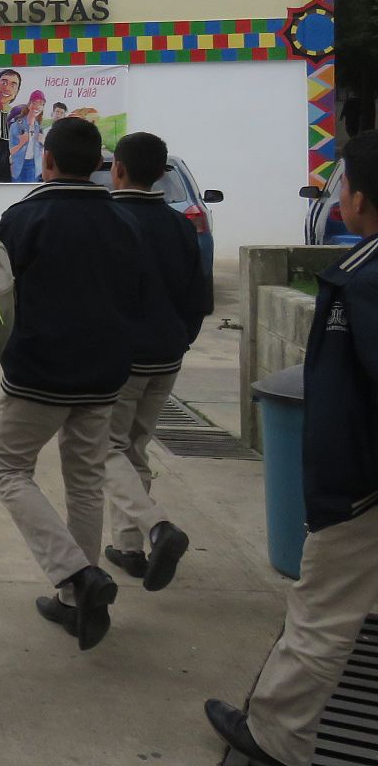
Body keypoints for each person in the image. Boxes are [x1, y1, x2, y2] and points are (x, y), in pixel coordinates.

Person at [206, 131, 378, 766]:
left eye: (342, 184)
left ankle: (277, 733)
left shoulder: (366, 281)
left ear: (358, 198)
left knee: (321, 612)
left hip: (362, 487)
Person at [0, 116, 143, 651]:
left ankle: (76, 574)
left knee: (9, 470)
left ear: (47, 161)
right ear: (100, 163)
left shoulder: (24, 217)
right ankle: (78, 604)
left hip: (39, 373)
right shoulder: (125, 220)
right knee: (85, 484)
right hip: (105, 375)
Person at [102, 132, 207, 589]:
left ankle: (157, 526)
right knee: (134, 449)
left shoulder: (107, 221)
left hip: (120, 359)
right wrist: (179, 341)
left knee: (104, 449)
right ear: (163, 176)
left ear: (117, 170)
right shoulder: (180, 224)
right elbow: (197, 296)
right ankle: (128, 547)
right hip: (166, 356)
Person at [8, 91, 45, 183]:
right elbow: (9, 151)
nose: (37, 107)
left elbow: (41, 153)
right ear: (29, 105)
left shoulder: (39, 128)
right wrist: (21, 143)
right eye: (34, 103)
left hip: (33, 167)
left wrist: (44, 143)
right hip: (18, 166)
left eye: (41, 104)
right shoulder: (17, 126)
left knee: (30, 193)